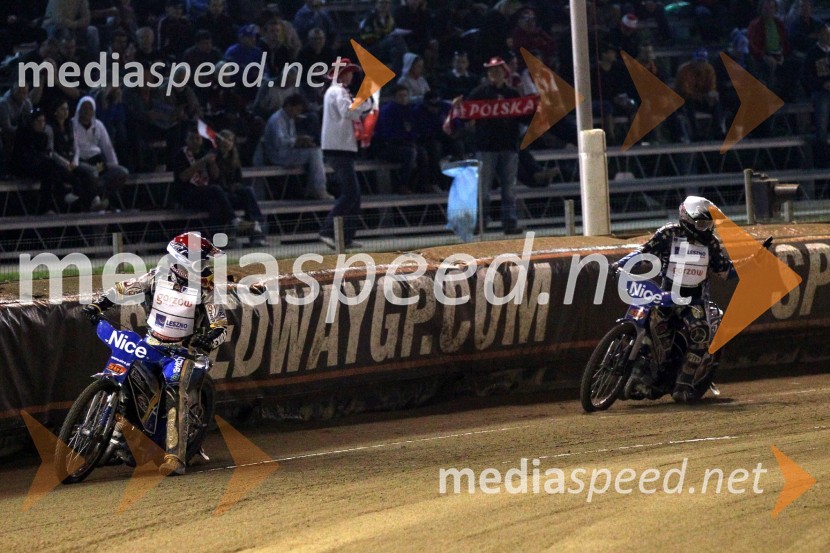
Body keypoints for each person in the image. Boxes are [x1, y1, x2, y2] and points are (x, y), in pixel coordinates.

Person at [81, 232, 229, 476]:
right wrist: (99, 304)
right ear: (186, 261)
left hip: (184, 351)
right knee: (126, 376)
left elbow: (221, 326)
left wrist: (210, 337)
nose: (206, 266)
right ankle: (119, 437)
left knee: (175, 388)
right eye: (202, 261)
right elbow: (123, 288)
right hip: (150, 344)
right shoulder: (157, 276)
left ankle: (175, 457)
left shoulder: (207, 288)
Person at [613, 196, 770, 403]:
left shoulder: (711, 244)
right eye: (701, 224)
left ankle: (684, 385)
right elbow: (643, 251)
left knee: (701, 332)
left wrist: (755, 260)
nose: (706, 229)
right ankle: (637, 367)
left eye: (709, 224)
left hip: (693, 302)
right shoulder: (668, 233)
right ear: (687, 219)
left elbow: (726, 271)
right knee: (649, 321)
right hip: (665, 296)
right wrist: (620, 264)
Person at [318, 58, 375, 249]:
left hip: (343, 146)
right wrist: (365, 102)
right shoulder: (337, 91)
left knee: (355, 195)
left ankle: (346, 237)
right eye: (349, 72)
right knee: (350, 193)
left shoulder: (340, 92)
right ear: (342, 74)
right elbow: (348, 112)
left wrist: (365, 102)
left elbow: (354, 109)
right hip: (338, 148)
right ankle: (327, 232)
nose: (352, 75)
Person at [465, 56, 524, 235]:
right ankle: (480, 223)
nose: (493, 74)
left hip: (508, 146)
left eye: (497, 71)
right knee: (483, 190)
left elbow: (523, 117)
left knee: (509, 189)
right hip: (486, 147)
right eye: (491, 71)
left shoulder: (513, 94)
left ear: (504, 73)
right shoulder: (479, 93)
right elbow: (467, 114)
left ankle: (510, 223)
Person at [254, 93, 332, 200]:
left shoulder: (290, 119)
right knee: (315, 153)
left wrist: (302, 143)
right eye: (297, 110)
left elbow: (290, 139)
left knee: (315, 150)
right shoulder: (277, 119)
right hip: (278, 155)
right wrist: (297, 140)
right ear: (289, 106)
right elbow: (279, 142)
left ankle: (313, 188)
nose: (298, 113)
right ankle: (319, 189)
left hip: (287, 152)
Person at [214, 129, 267, 246]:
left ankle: (256, 224)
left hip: (232, 194)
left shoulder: (234, 158)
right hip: (220, 196)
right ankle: (248, 226)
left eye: (229, 140)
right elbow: (215, 180)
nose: (227, 143)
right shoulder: (214, 157)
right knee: (225, 195)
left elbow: (239, 180)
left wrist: (236, 185)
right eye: (224, 140)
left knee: (248, 191)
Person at [72, 96, 129, 196]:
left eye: (90, 108)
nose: (87, 111)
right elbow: (74, 148)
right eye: (84, 108)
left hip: (97, 162)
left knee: (121, 172)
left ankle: (104, 196)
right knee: (91, 172)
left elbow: (107, 146)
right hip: (80, 162)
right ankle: (94, 199)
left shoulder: (98, 125)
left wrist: (113, 163)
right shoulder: (72, 124)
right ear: (79, 109)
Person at [803, 25, 830, 167]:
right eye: (825, 34)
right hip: (821, 92)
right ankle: (823, 161)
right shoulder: (812, 53)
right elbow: (806, 76)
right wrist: (822, 84)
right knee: (822, 124)